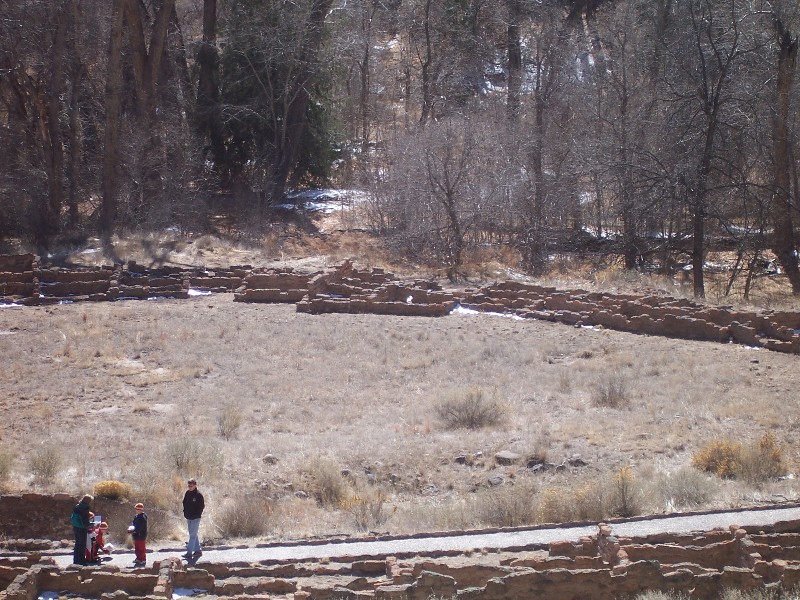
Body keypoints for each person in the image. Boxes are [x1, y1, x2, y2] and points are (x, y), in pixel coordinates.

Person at [182, 478, 205, 560]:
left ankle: (189, 552)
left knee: (192, 536)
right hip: (188, 517)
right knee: (193, 534)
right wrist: (185, 512)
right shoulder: (187, 493)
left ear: (195, 485)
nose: (190, 487)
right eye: (188, 486)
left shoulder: (199, 495)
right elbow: (184, 503)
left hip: (195, 518)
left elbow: (201, 507)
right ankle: (198, 551)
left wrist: (196, 515)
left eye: (191, 486)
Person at [70, 494, 93, 565]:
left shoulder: (77, 506)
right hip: (81, 528)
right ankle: (81, 561)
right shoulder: (85, 508)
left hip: (75, 527)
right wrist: (92, 524)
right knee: (82, 545)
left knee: (77, 544)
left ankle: (76, 560)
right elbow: (85, 521)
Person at [129, 503, 148, 567]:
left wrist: (134, 531)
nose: (136, 510)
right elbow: (133, 523)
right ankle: (138, 558)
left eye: (137, 509)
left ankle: (142, 559)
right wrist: (131, 528)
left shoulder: (143, 517)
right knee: (137, 547)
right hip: (136, 535)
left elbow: (140, 527)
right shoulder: (136, 516)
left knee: (141, 548)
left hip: (141, 535)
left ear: (140, 510)